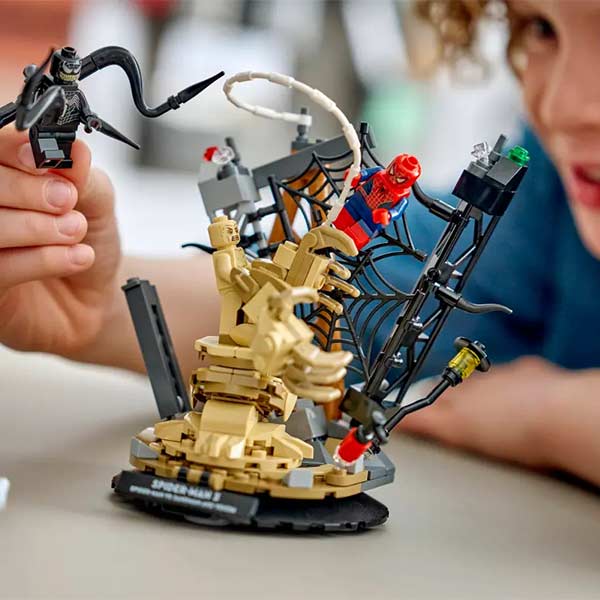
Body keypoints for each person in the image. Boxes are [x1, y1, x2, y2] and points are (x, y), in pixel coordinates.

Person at [1, 0, 599, 486]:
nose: (562, 105)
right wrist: (94, 302)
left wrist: (551, 417)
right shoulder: (549, 202)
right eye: (541, 27)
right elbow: (306, 301)